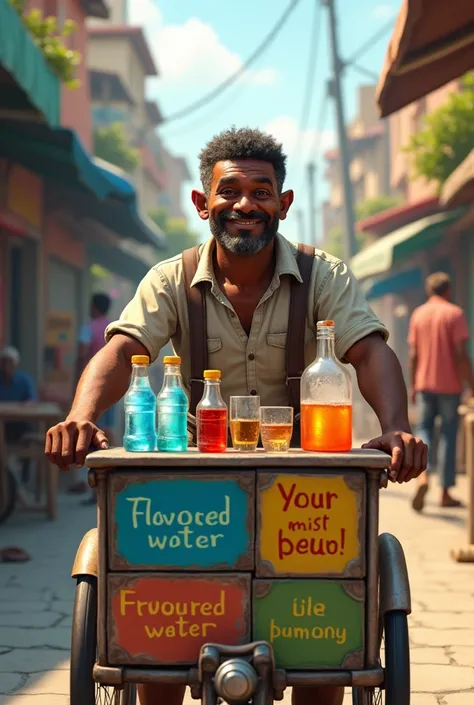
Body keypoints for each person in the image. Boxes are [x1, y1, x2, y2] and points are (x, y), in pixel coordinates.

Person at [46, 127, 427, 705]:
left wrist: (395, 425)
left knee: (320, 646)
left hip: (305, 482)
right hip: (197, 481)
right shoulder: (172, 279)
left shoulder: (323, 274)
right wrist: (80, 415)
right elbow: (123, 350)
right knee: (161, 643)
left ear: (284, 203)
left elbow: (371, 350)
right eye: (230, 191)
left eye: (262, 191)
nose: (245, 204)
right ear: (203, 204)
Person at [408, 272, 474, 511]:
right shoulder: (455, 313)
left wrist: (413, 384)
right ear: (448, 290)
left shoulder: (418, 314)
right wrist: (472, 384)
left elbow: (413, 355)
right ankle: (445, 493)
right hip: (449, 386)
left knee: (424, 430)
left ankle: (423, 476)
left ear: (429, 291)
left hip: (425, 384)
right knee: (448, 434)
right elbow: (461, 354)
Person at [67, 293, 116, 501]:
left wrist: (77, 383)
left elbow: (82, 354)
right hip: (113, 386)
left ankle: (90, 484)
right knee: (108, 432)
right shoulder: (113, 328)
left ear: (94, 307)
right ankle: (112, 476)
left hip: (91, 387)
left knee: (86, 432)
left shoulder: (88, 327)